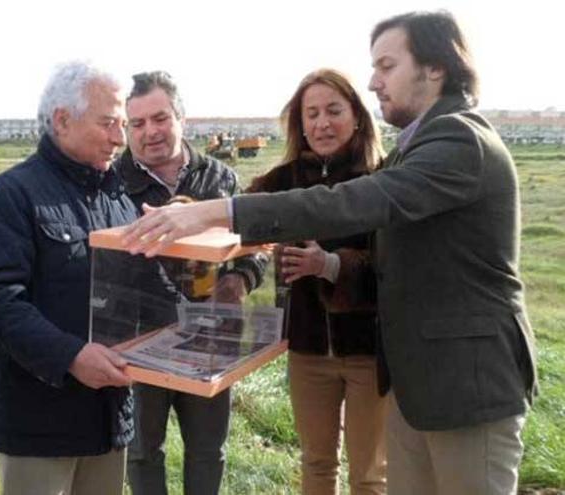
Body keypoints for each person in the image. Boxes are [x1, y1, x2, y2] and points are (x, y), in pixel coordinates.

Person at [122, 10, 537, 495]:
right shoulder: (419, 143)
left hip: (466, 387)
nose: (374, 81)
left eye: (386, 66)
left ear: (435, 68)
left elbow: (357, 202)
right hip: (417, 382)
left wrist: (216, 213)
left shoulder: (459, 139)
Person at [0, 61, 137, 495]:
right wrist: (71, 356)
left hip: (108, 420)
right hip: (39, 426)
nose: (121, 137)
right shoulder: (9, 196)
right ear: (62, 119)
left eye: (124, 124)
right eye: (109, 123)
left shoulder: (118, 199)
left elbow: (138, 292)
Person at [116, 71, 267, 495]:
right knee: (142, 450)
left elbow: (252, 246)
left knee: (207, 449)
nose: (150, 132)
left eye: (160, 118)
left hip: (210, 339)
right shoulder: (114, 182)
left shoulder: (220, 179)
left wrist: (239, 279)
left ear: (182, 117)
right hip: (140, 340)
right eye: (138, 123)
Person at [245, 68, 386, 495]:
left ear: (357, 116)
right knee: (317, 463)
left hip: (368, 351)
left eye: (333, 110)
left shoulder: (381, 180)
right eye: (311, 114)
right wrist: (185, 212)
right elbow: (236, 213)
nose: (322, 123)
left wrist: (328, 266)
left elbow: (394, 268)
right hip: (306, 350)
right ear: (299, 123)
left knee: (370, 475)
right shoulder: (282, 181)